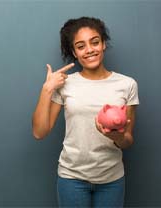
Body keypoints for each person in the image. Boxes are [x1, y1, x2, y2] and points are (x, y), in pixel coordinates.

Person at [32, 16, 139, 207]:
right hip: (71, 179)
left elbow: (127, 141)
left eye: (95, 42)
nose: (89, 50)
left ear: (103, 44)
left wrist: (116, 136)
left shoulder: (127, 84)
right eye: (81, 46)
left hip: (111, 180)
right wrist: (47, 88)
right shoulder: (65, 84)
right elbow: (39, 132)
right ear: (74, 52)